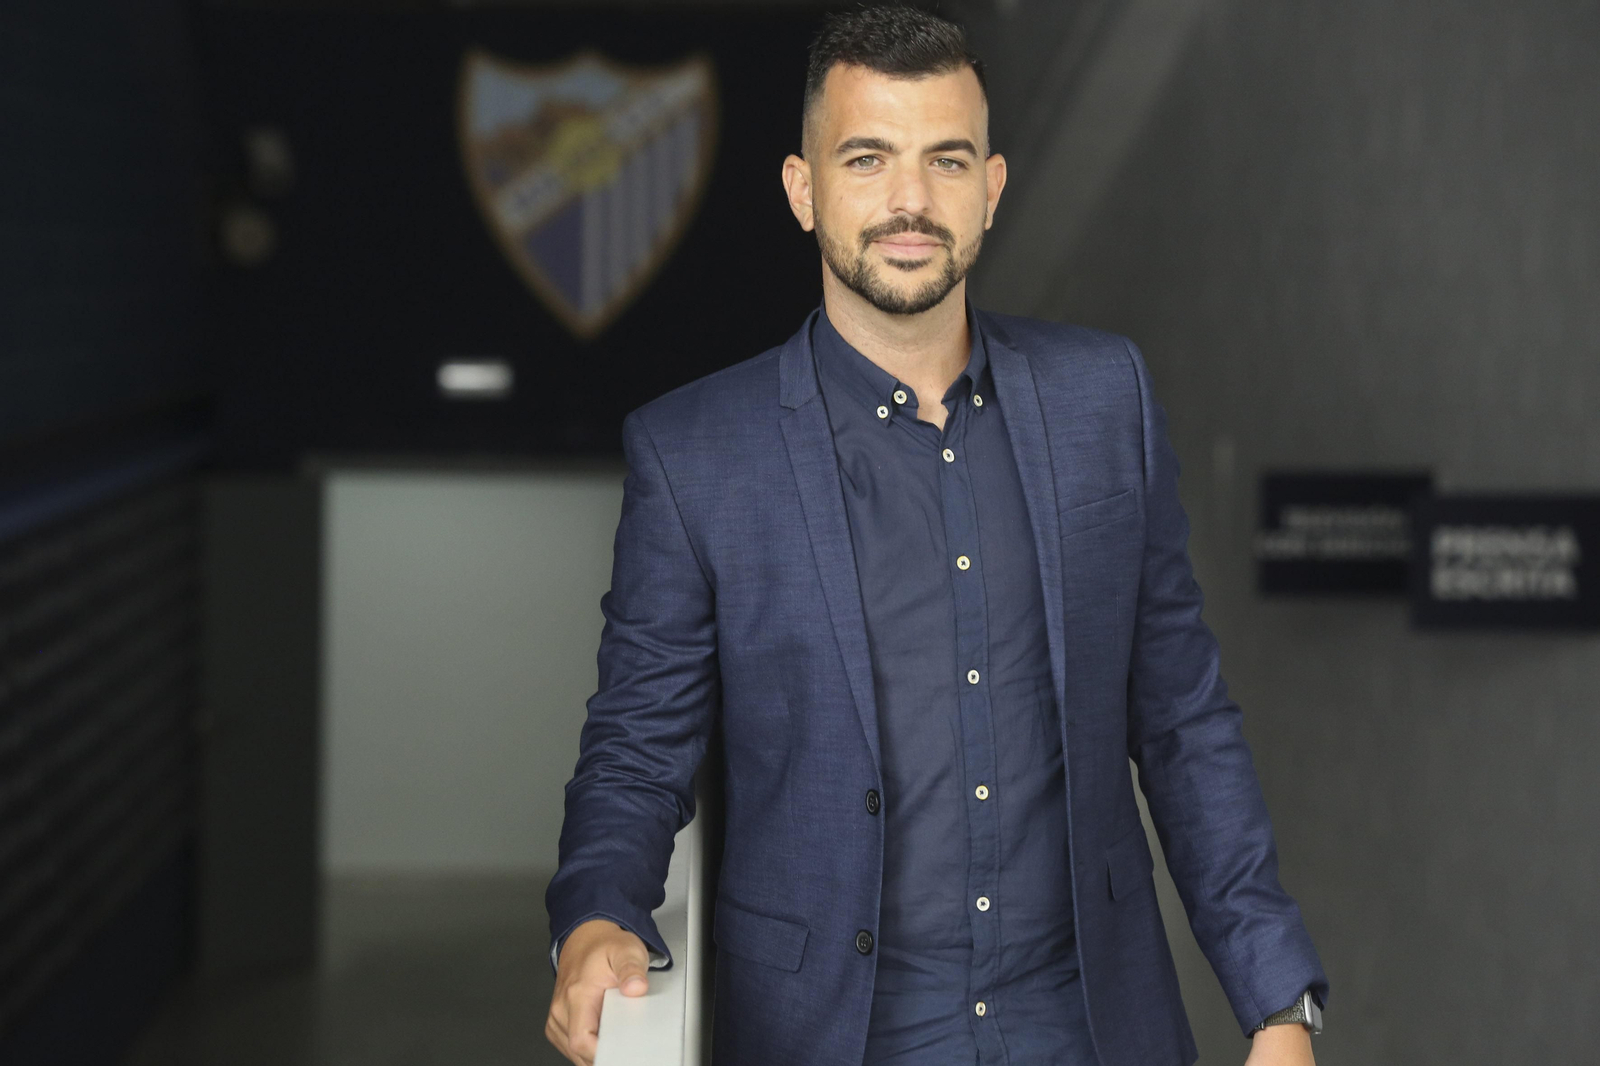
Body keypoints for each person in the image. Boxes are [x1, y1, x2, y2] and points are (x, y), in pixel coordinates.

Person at [544, 7, 1328, 1065]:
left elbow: (1183, 719)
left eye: (945, 160)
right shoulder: (695, 456)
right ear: (802, 188)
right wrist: (596, 917)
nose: (909, 201)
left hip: (1089, 1032)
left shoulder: (1107, 400)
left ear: (991, 189)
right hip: (829, 1035)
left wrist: (1277, 1004)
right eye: (867, 158)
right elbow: (638, 746)